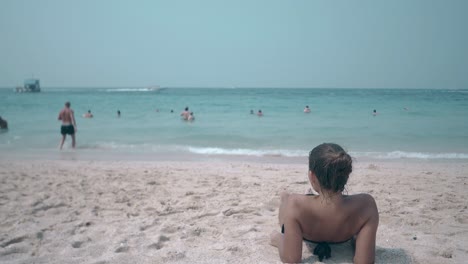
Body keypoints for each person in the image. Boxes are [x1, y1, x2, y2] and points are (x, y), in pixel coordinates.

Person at [270, 143, 378, 263]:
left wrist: (278, 239)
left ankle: (285, 196)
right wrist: (357, 241)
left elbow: (291, 259)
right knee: (293, 202)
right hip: (342, 235)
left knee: (287, 202)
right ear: (346, 176)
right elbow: (364, 262)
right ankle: (304, 195)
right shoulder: (366, 205)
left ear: (312, 176)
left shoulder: (295, 203)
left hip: (307, 228)